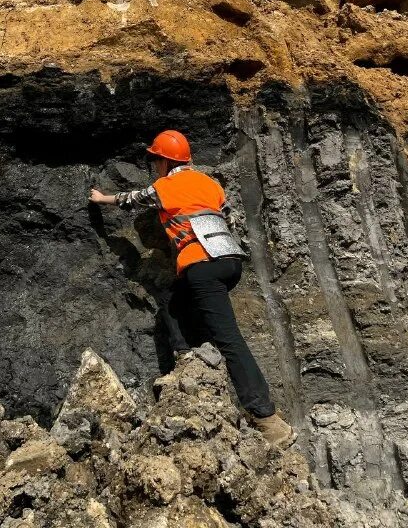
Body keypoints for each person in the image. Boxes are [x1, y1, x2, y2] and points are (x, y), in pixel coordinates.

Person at [89, 129, 295, 448]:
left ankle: (266, 417)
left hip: (202, 267)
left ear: (165, 161)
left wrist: (102, 199)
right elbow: (226, 216)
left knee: (229, 340)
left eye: (155, 159)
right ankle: (187, 360)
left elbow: (134, 200)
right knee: (174, 305)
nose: (154, 165)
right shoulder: (210, 184)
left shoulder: (165, 186)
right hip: (229, 262)